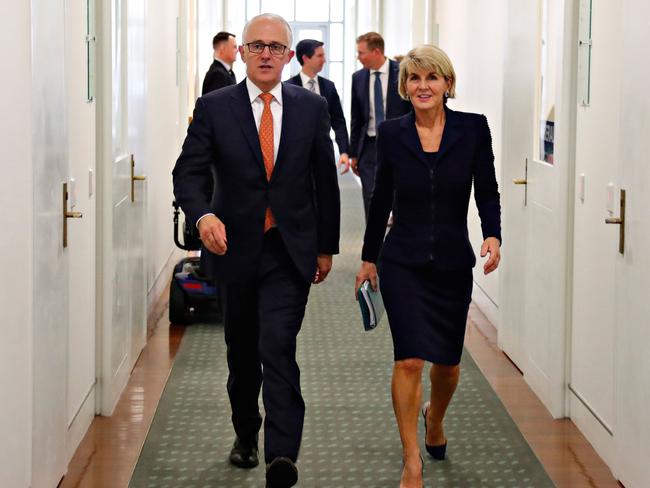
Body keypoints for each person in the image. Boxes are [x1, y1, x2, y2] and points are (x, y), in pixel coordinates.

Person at [173, 13, 340, 488]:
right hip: (233, 249)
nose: (266, 54)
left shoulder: (310, 108)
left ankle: (281, 457)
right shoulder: (214, 106)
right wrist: (202, 216)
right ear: (242, 53)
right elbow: (187, 173)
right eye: (256, 46)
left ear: (289, 56)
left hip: (289, 251)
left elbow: (325, 183)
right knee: (242, 353)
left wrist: (326, 247)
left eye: (275, 47)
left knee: (278, 347)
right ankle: (246, 431)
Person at [354, 45, 501, 488]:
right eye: (414, 79)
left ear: (447, 85)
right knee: (410, 359)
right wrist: (367, 257)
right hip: (403, 260)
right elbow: (380, 198)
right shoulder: (395, 133)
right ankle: (411, 459)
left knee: (448, 365)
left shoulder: (473, 130)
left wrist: (493, 234)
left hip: (453, 261)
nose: (422, 86)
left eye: (431, 78)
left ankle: (434, 417)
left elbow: (488, 189)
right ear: (405, 87)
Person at [350, 32, 411, 218]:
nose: (358, 57)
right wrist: (353, 153)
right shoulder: (358, 77)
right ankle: (373, 242)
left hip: (398, 143)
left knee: (398, 193)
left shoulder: (402, 72)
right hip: (369, 145)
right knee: (370, 195)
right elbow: (356, 118)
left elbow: (410, 110)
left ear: (376, 51)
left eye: (361, 53)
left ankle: (397, 240)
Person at [286, 39, 351, 173]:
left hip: (324, 153)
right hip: (294, 156)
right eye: (320, 56)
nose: (324, 60)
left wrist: (344, 151)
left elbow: (338, 121)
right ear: (305, 58)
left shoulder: (329, 87)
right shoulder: (287, 87)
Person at [201, 31, 238, 95]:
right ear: (223, 49)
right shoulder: (218, 74)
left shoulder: (227, 72)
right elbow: (216, 103)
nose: (237, 50)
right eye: (234, 47)